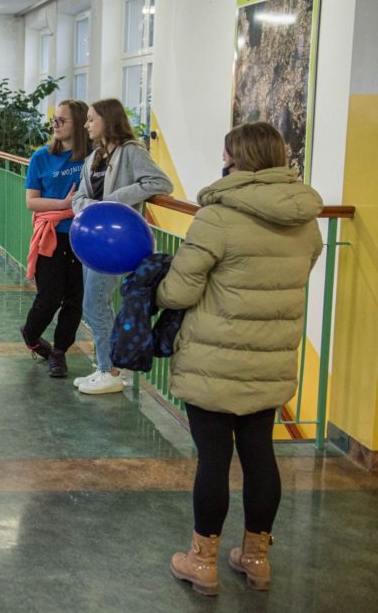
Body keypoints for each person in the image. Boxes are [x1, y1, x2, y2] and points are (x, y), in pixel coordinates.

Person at [158, 122, 323, 596]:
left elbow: (179, 291)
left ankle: (202, 563)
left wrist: (157, 286)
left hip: (214, 359)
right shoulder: (305, 218)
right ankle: (256, 559)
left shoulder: (217, 217)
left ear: (238, 159)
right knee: (259, 454)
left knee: (213, 459)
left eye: (227, 153)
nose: (223, 160)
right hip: (271, 358)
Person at [71, 98, 173, 395]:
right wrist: (92, 207)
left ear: (108, 120)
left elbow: (161, 183)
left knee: (94, 303)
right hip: (92, 242)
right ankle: (106, 365)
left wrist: (113, 200)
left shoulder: (131, 152)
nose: (87, 125)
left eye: (92, 119)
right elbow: (78, 198)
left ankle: (111, 370)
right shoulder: (94, 157)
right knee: (94, 303)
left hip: (115, 244)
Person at [19, 100, 90, 378]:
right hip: (51, 236)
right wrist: (63, 204)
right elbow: (31, 202)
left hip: (82, 237)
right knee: (49, 298)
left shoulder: (92, 157)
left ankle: (59, 352)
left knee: (74, 299)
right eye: (54, 120)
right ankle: (31, 335)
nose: (56, 125)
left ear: (79, 124)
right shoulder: (41, 157)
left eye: (62, 120)